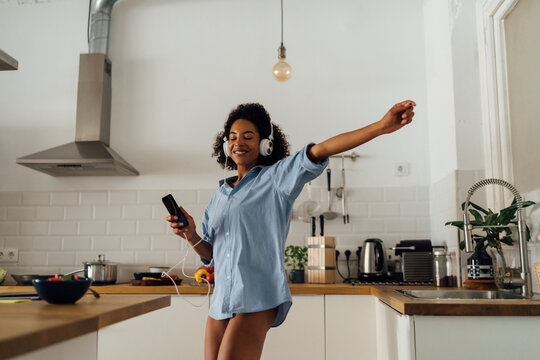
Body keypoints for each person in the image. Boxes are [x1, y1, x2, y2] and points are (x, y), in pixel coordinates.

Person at [166, 100, 415, 360]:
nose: (239, 142)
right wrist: (191, 234)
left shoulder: (276, 179)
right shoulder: (219, 196)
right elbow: (210, 255)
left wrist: (381, 127)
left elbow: (321, 150)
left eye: (248, 136)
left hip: (258, 294)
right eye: (233, 137)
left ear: (265, 144)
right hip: (221, 300)